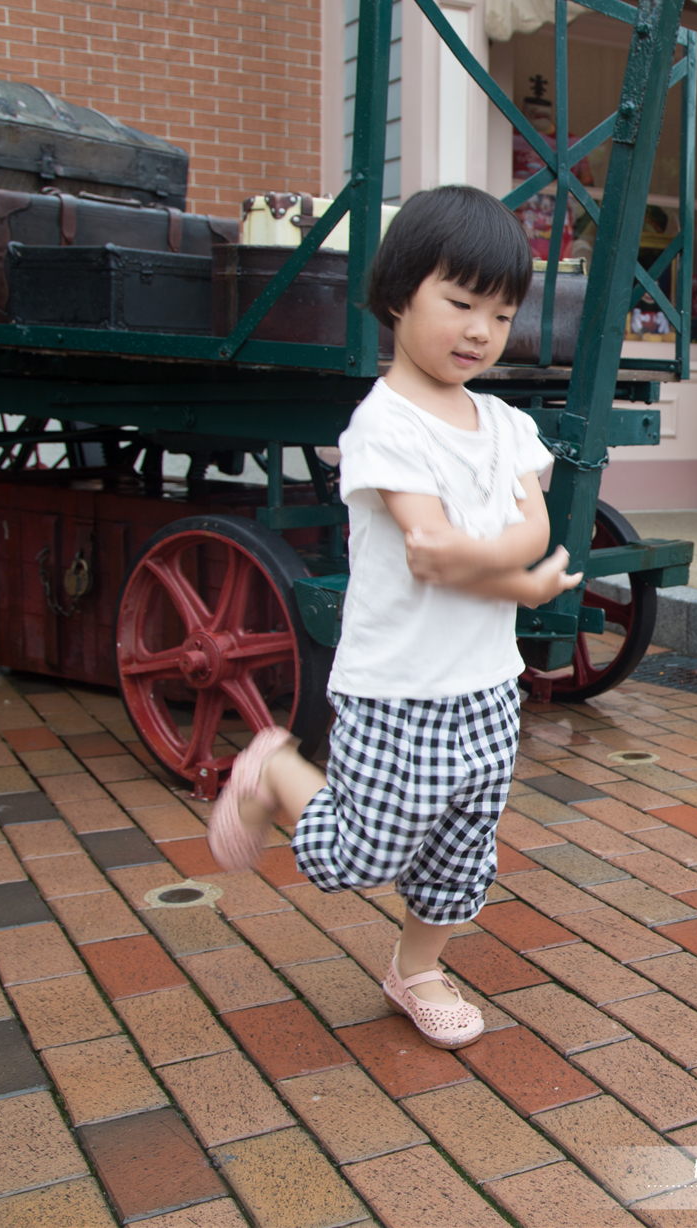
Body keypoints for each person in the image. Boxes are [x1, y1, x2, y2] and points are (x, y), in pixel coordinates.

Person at [204, 186, 581, 1050]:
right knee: (360, 854)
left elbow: (533, 529)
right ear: (400, 294)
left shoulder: (505, 423)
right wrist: (514, 578)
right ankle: (274, 769)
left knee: (462, 857)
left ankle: (417, 970)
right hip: (396, 687)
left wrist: (500, 564)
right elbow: (429, 549)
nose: (480, 331)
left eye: (500, 313)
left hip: (487, 686)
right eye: (461, 303)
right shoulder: (384, 425)